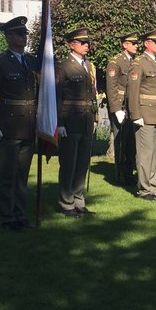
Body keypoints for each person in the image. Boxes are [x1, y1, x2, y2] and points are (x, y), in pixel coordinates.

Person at [0, 16, 37, 231]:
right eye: (20, 34)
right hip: (10, 126)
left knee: (22, 175)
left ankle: (20, 214)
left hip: (29, 126)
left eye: (25, 34)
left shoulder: (32, 61)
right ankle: (7, 217)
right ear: (9, 36)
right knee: (7, 175)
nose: (24, 37)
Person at [55, 28, 98, 218]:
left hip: (86, 120)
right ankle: (66, 203)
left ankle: (79, 201)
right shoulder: (63, 66)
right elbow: (57, 96)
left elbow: (92, 94)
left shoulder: (88, 66)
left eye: (87, 42)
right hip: (70, 120)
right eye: (82, 42)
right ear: (72, 44)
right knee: (69, 163)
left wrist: (95, 117)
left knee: (82, 164)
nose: (86, 45)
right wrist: (60, 122)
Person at [127, 30, 156, 201]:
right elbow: (133, 91)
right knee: (145, 153)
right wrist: (135, 114)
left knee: (155, 153)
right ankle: (144, 189)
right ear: (147, 43)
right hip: (145, 114)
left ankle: (152, 186)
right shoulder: (139, 63)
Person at [106, 33, 138, 186]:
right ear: (125, 45)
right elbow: (111, 87)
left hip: (132, 106)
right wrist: (116, 108)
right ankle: (119, 173)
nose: (136, 46)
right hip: (121, 105)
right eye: (133, 43)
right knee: (121, 140)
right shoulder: (116, 61)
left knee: (131, 141)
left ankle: (128, 171)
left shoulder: (136, 62)